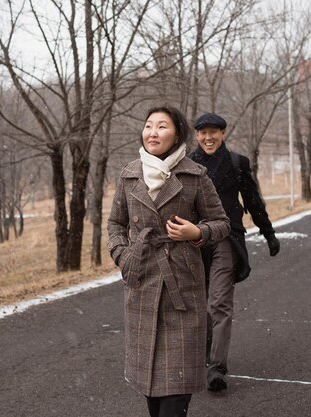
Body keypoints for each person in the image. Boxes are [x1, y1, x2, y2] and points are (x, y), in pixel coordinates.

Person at [107, 106, 230, 417]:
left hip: (183, 288)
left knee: (175, 392)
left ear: (177, 133)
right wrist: (123, 256)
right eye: (149, 125)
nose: (153, 132)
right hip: (142, 280)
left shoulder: (194, 175)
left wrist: (196, 232)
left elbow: (221, 223)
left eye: (162, 126)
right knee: (150, 389)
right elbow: (115, 224)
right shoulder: (130, 173)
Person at [189, 112, 280, 392]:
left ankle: (217, 367)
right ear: (196, 135)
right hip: (194, 241)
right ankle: (206, 353)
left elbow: (253, 201)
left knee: (220, 303)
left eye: (213, 132)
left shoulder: (237, 163)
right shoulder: (187, 164)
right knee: (198, 305)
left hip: (227, 239)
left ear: (223, 133)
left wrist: (268, 233)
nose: (208, 137)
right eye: (203, 132)